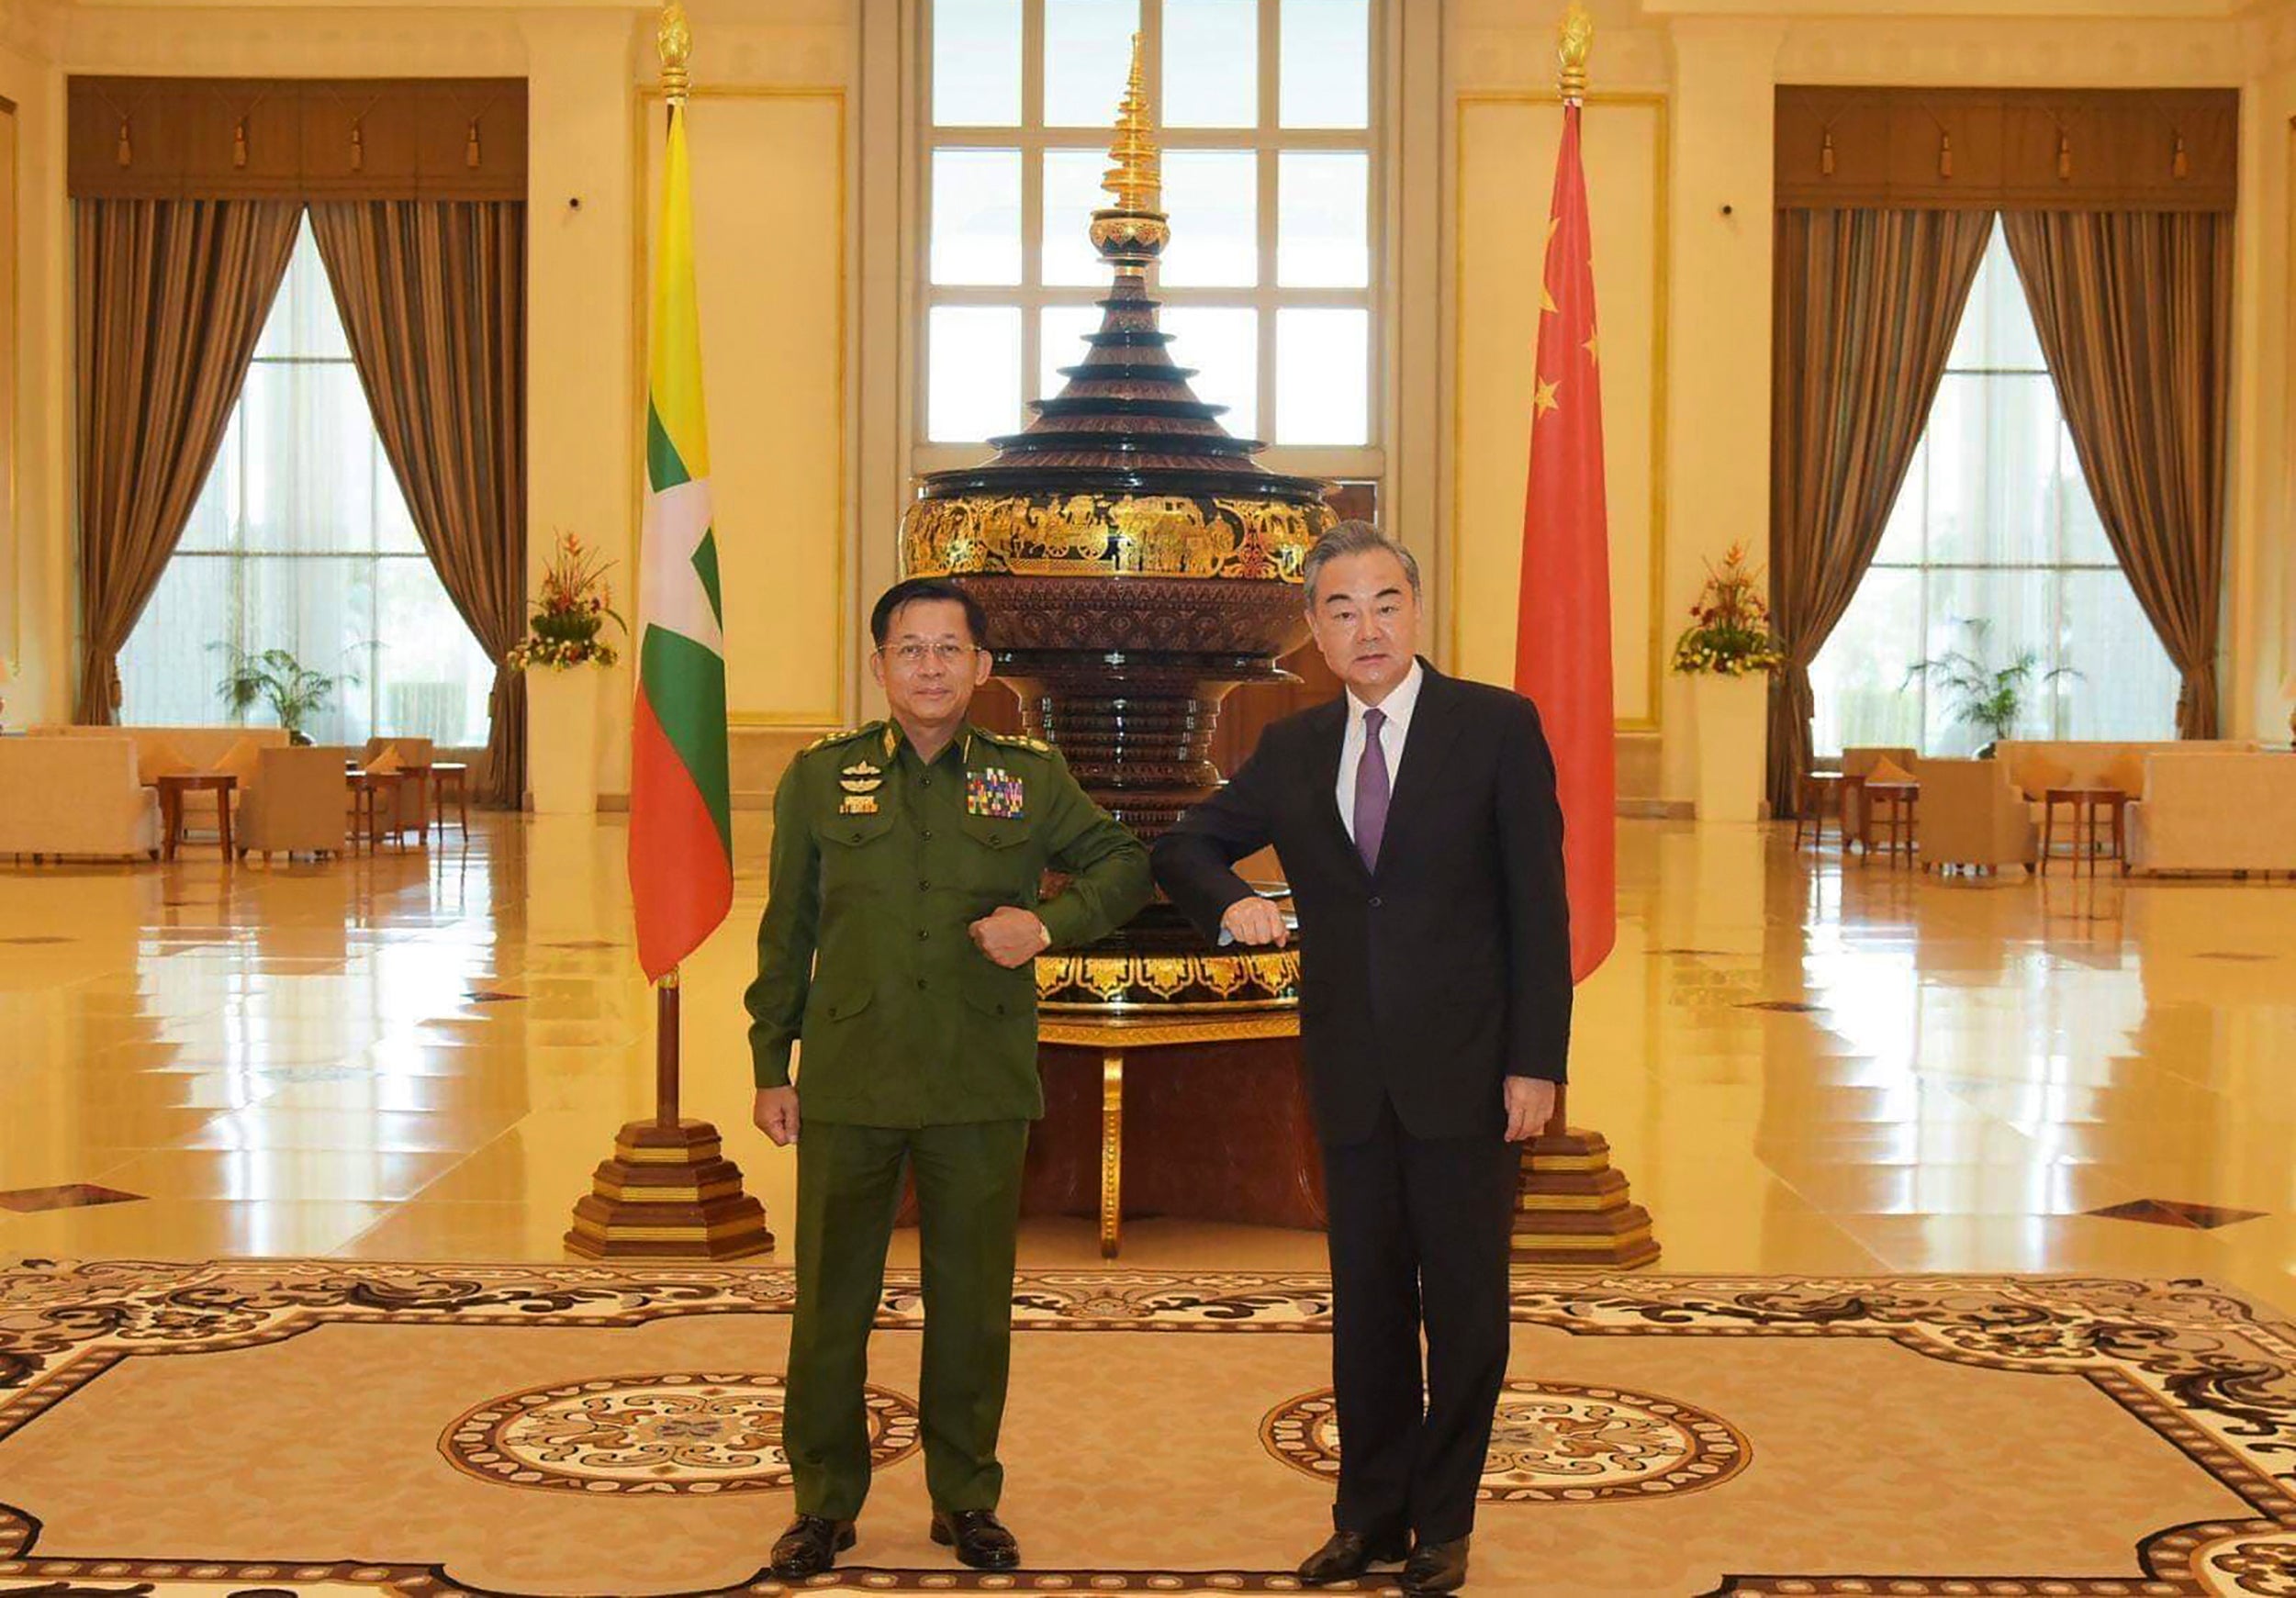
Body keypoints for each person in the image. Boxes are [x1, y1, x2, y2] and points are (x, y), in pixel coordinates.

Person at [1150, 521, 1571, 1596]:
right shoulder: (1291, 749)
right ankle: (1367, 1518)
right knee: (1367, 1310)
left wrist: (1536, 1061)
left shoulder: (1494, 727)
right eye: (1339, 610)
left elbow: (1538, 907)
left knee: (1466, 1315)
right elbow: (1183, 844)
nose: (1365, 627)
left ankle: (1444, 1523)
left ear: (1416, 610)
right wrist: (1233, 901)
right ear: (1312, 633)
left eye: (1383, 602)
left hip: (1472, 1075)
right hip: (1346, 1075)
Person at [746, 576, 1153, 1580]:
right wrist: (771, 1063)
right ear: (878, 663)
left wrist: (1044, 925)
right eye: (908, 648)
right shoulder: (817, 777)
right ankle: (823, 1502)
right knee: (830, 1301)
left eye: (948, 649)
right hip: (850, 1076)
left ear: (979, 667)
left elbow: (1123, 864)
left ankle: (966, 1496)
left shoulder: (1026, 774)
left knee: (971, 1302)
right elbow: (786, 928)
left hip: (977, 1079)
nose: (928, 667)